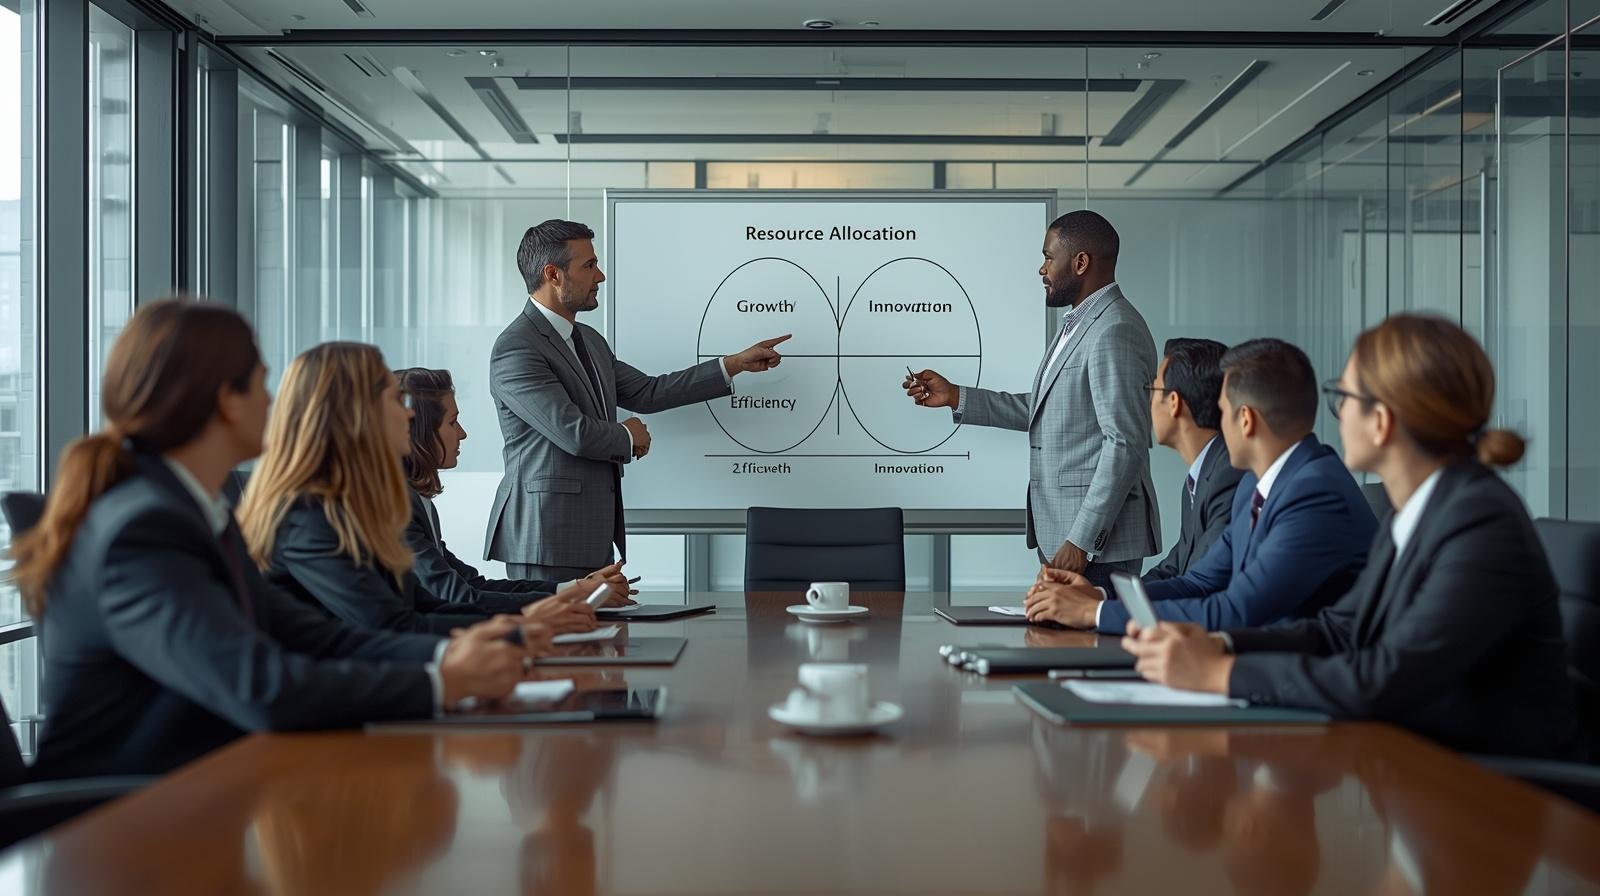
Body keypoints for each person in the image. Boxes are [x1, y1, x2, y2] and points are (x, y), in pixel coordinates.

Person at [12, 300, 533, 779]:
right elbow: (259, 686)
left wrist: (459, 656)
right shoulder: (143, 530)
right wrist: (442, 682)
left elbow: (320, 638)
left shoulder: (196, 512)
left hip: (198, 795)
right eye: (262, 385)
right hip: (124, 829)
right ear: (226, 402)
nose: (274, 402)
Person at [1121, 315, 1576, 760]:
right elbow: (1339, 630)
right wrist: (1221, 645)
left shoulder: (1480, 523)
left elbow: (1384, 677)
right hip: (1412, 765)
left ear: (1380, 421)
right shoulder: (1419, 511)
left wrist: (1223, 674)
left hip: (1491, 795)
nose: (1334, 416)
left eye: (1345, 398)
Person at [486, 219, 791, 583]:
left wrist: (733, 365)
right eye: (589, 265)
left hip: (590, 532)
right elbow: (573, 433)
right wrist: (629, 437)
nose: (600, 276)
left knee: (593, 638)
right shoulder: (517, 347)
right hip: (545, 536)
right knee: (553, 639)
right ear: (553, 274)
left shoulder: (589, 340)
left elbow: (648, 391)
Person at [239, 342, 596, 635]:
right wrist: (524, 627)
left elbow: (422, 604)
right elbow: (391, 625)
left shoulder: (352, 505)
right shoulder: (312, 514)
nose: (408, 416)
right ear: (357, 416)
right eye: (396, 401)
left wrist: (542, 613)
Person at [1025, 338, 1376, 633]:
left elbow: (1236, 610)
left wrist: (1093, 614)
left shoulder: (1313, 492)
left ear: (1245, 420)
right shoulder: (1262, 483)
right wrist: (1099, 598)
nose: (1216, 426)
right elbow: (1199, 581)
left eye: (1222, 412)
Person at [904, 210, 1160, 589]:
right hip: (1062, 534)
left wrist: (1081, 540)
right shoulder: (1079, 324)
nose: (1042, 269)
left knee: (1092, 648)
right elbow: (1046, 409)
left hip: (1095, 547)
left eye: (1047, 257)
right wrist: (956, 396)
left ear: (1080, 263)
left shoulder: (1113, 330)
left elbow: (1125, 442)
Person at [394, 367, 634, 623]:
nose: (462, 433)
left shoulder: (418, 503)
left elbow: (474, 585)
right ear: (418, 432)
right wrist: (574, 594)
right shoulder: (396, 507)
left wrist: (574, 588)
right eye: (452, 422)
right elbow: (461, 597)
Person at [1144, 337, 1244, 581]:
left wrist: (1097, 605)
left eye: (1153, 389)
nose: (1148, 402)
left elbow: (1200, 582)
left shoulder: (1229, 475)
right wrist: (1098, 595)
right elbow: (1174, 567)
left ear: (1174, 403)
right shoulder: (1202, 475)